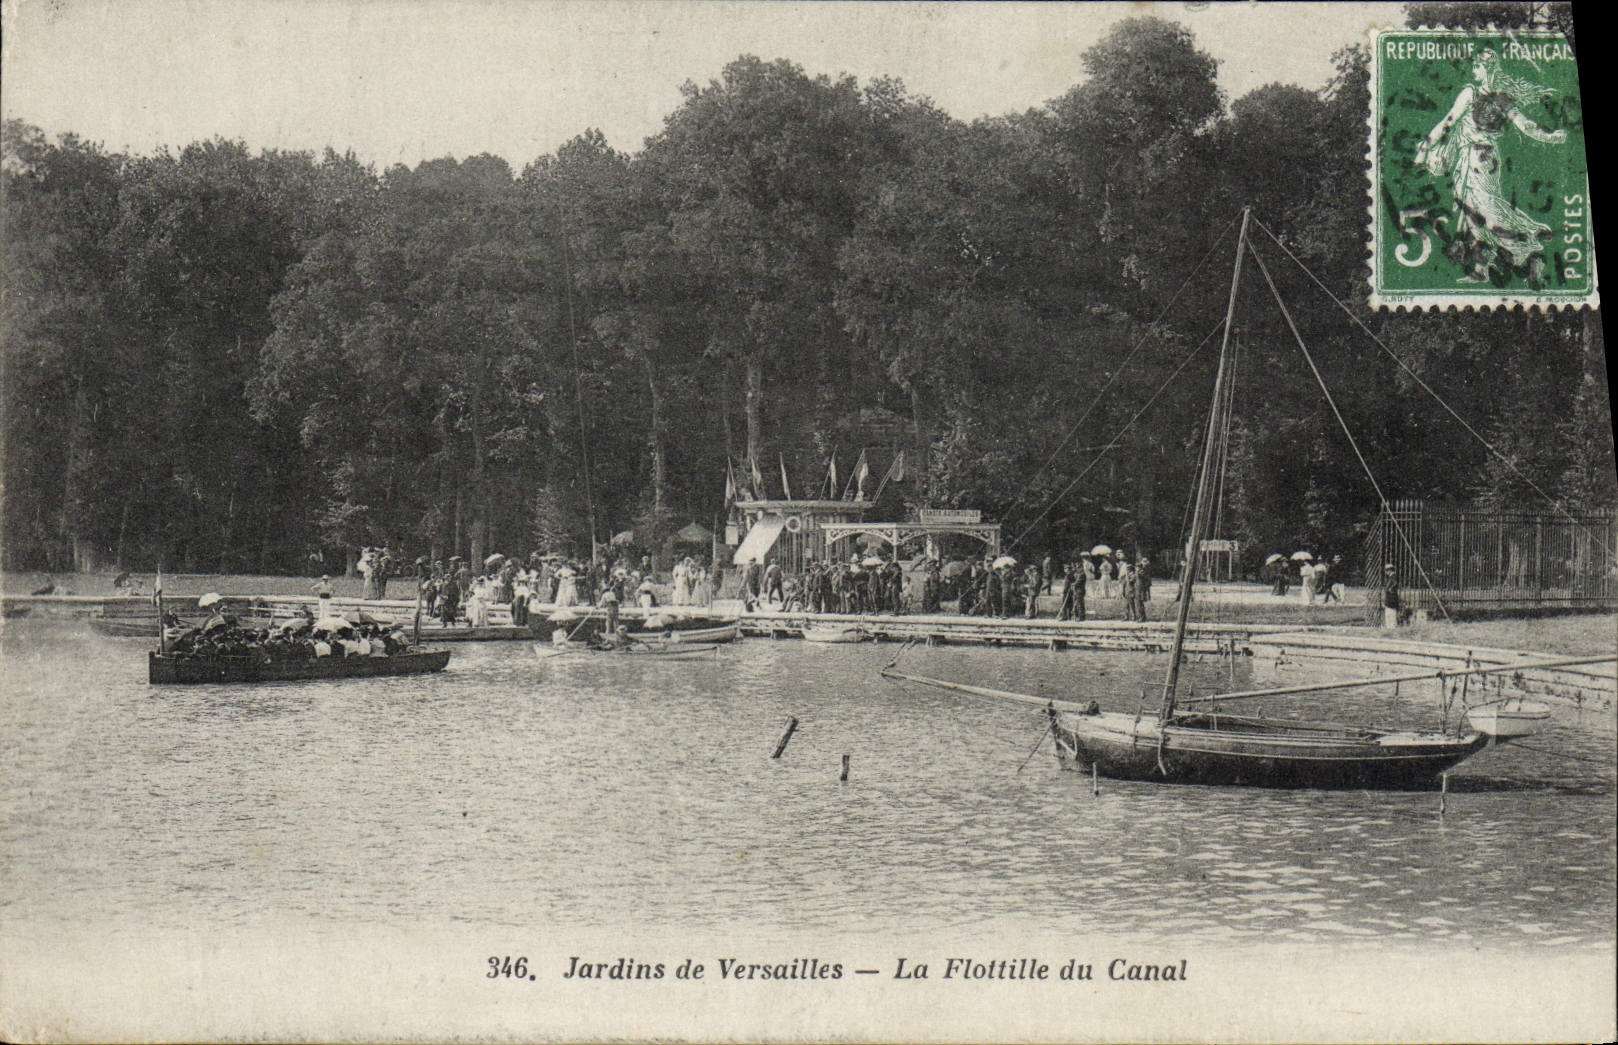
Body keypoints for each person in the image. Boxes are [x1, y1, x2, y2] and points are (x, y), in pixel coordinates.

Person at [1414, 49, 1567, 284]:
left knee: (1488, 214)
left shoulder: (1472, 93)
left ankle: (1530, 248)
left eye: (1477, 66)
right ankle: (1480, 268)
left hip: (1477, 161)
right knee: (1473, 213)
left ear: (1487, 69)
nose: (1473, 70)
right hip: (1484, 159)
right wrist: (1550, 136)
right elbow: (1525, 126)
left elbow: (1448, 121)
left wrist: (1425, 149)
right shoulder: (1500, 98)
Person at [1381, 565, 1401, 629]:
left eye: (1386, 570)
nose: (1385, 572)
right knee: (1389, 614)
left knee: (1391, 614)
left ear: (1389, 570)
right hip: (1390, 599)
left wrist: (1391, 589)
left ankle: (1391, 628)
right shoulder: (1391, 576)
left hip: (1391, 599)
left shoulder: (1393, 576)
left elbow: (1395, 584)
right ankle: (1390, 627)